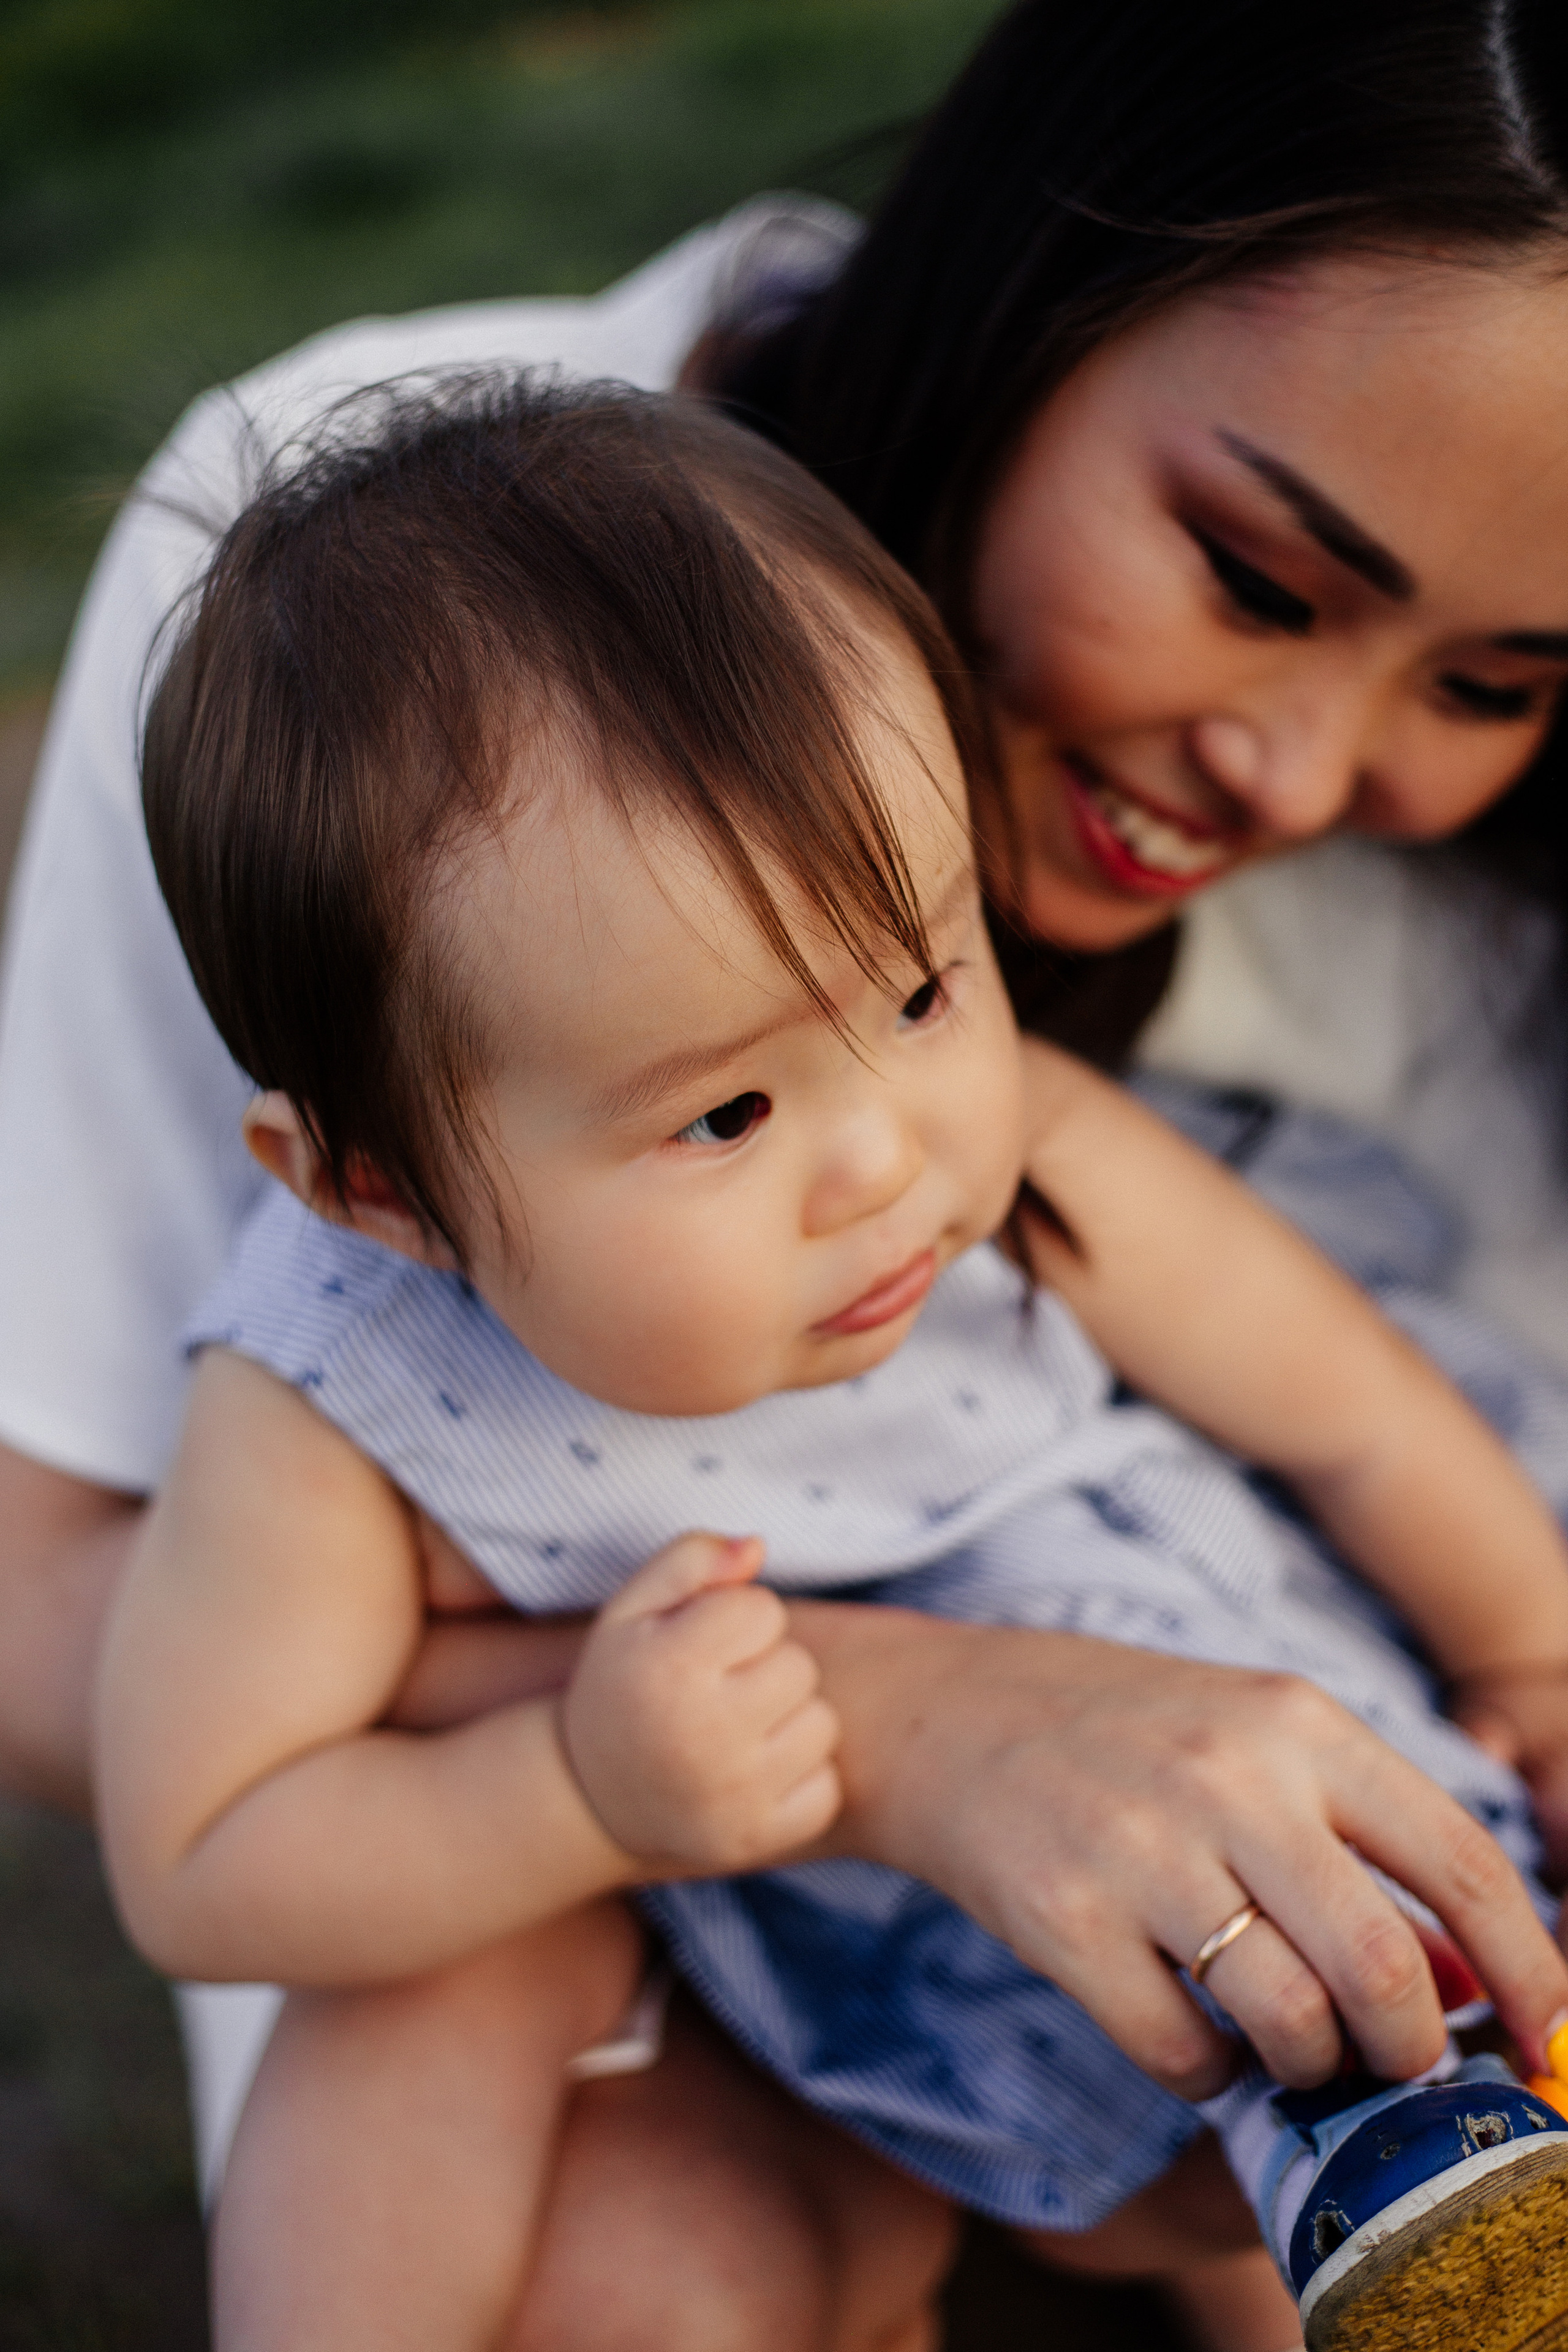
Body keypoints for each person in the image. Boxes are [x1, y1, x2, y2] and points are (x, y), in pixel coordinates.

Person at [6, 0, 1568, 2338]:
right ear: (377, 1193)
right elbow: (184, 1793)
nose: (885, 1171)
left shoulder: (1023, 1128)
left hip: (1267, 1903)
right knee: (466, 2086)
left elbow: (1346, 1398)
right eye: (1257, 571)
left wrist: (1535, 1650)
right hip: (713, 1955)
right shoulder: (366, 1316)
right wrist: (665, 1778)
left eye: (1501, 677)